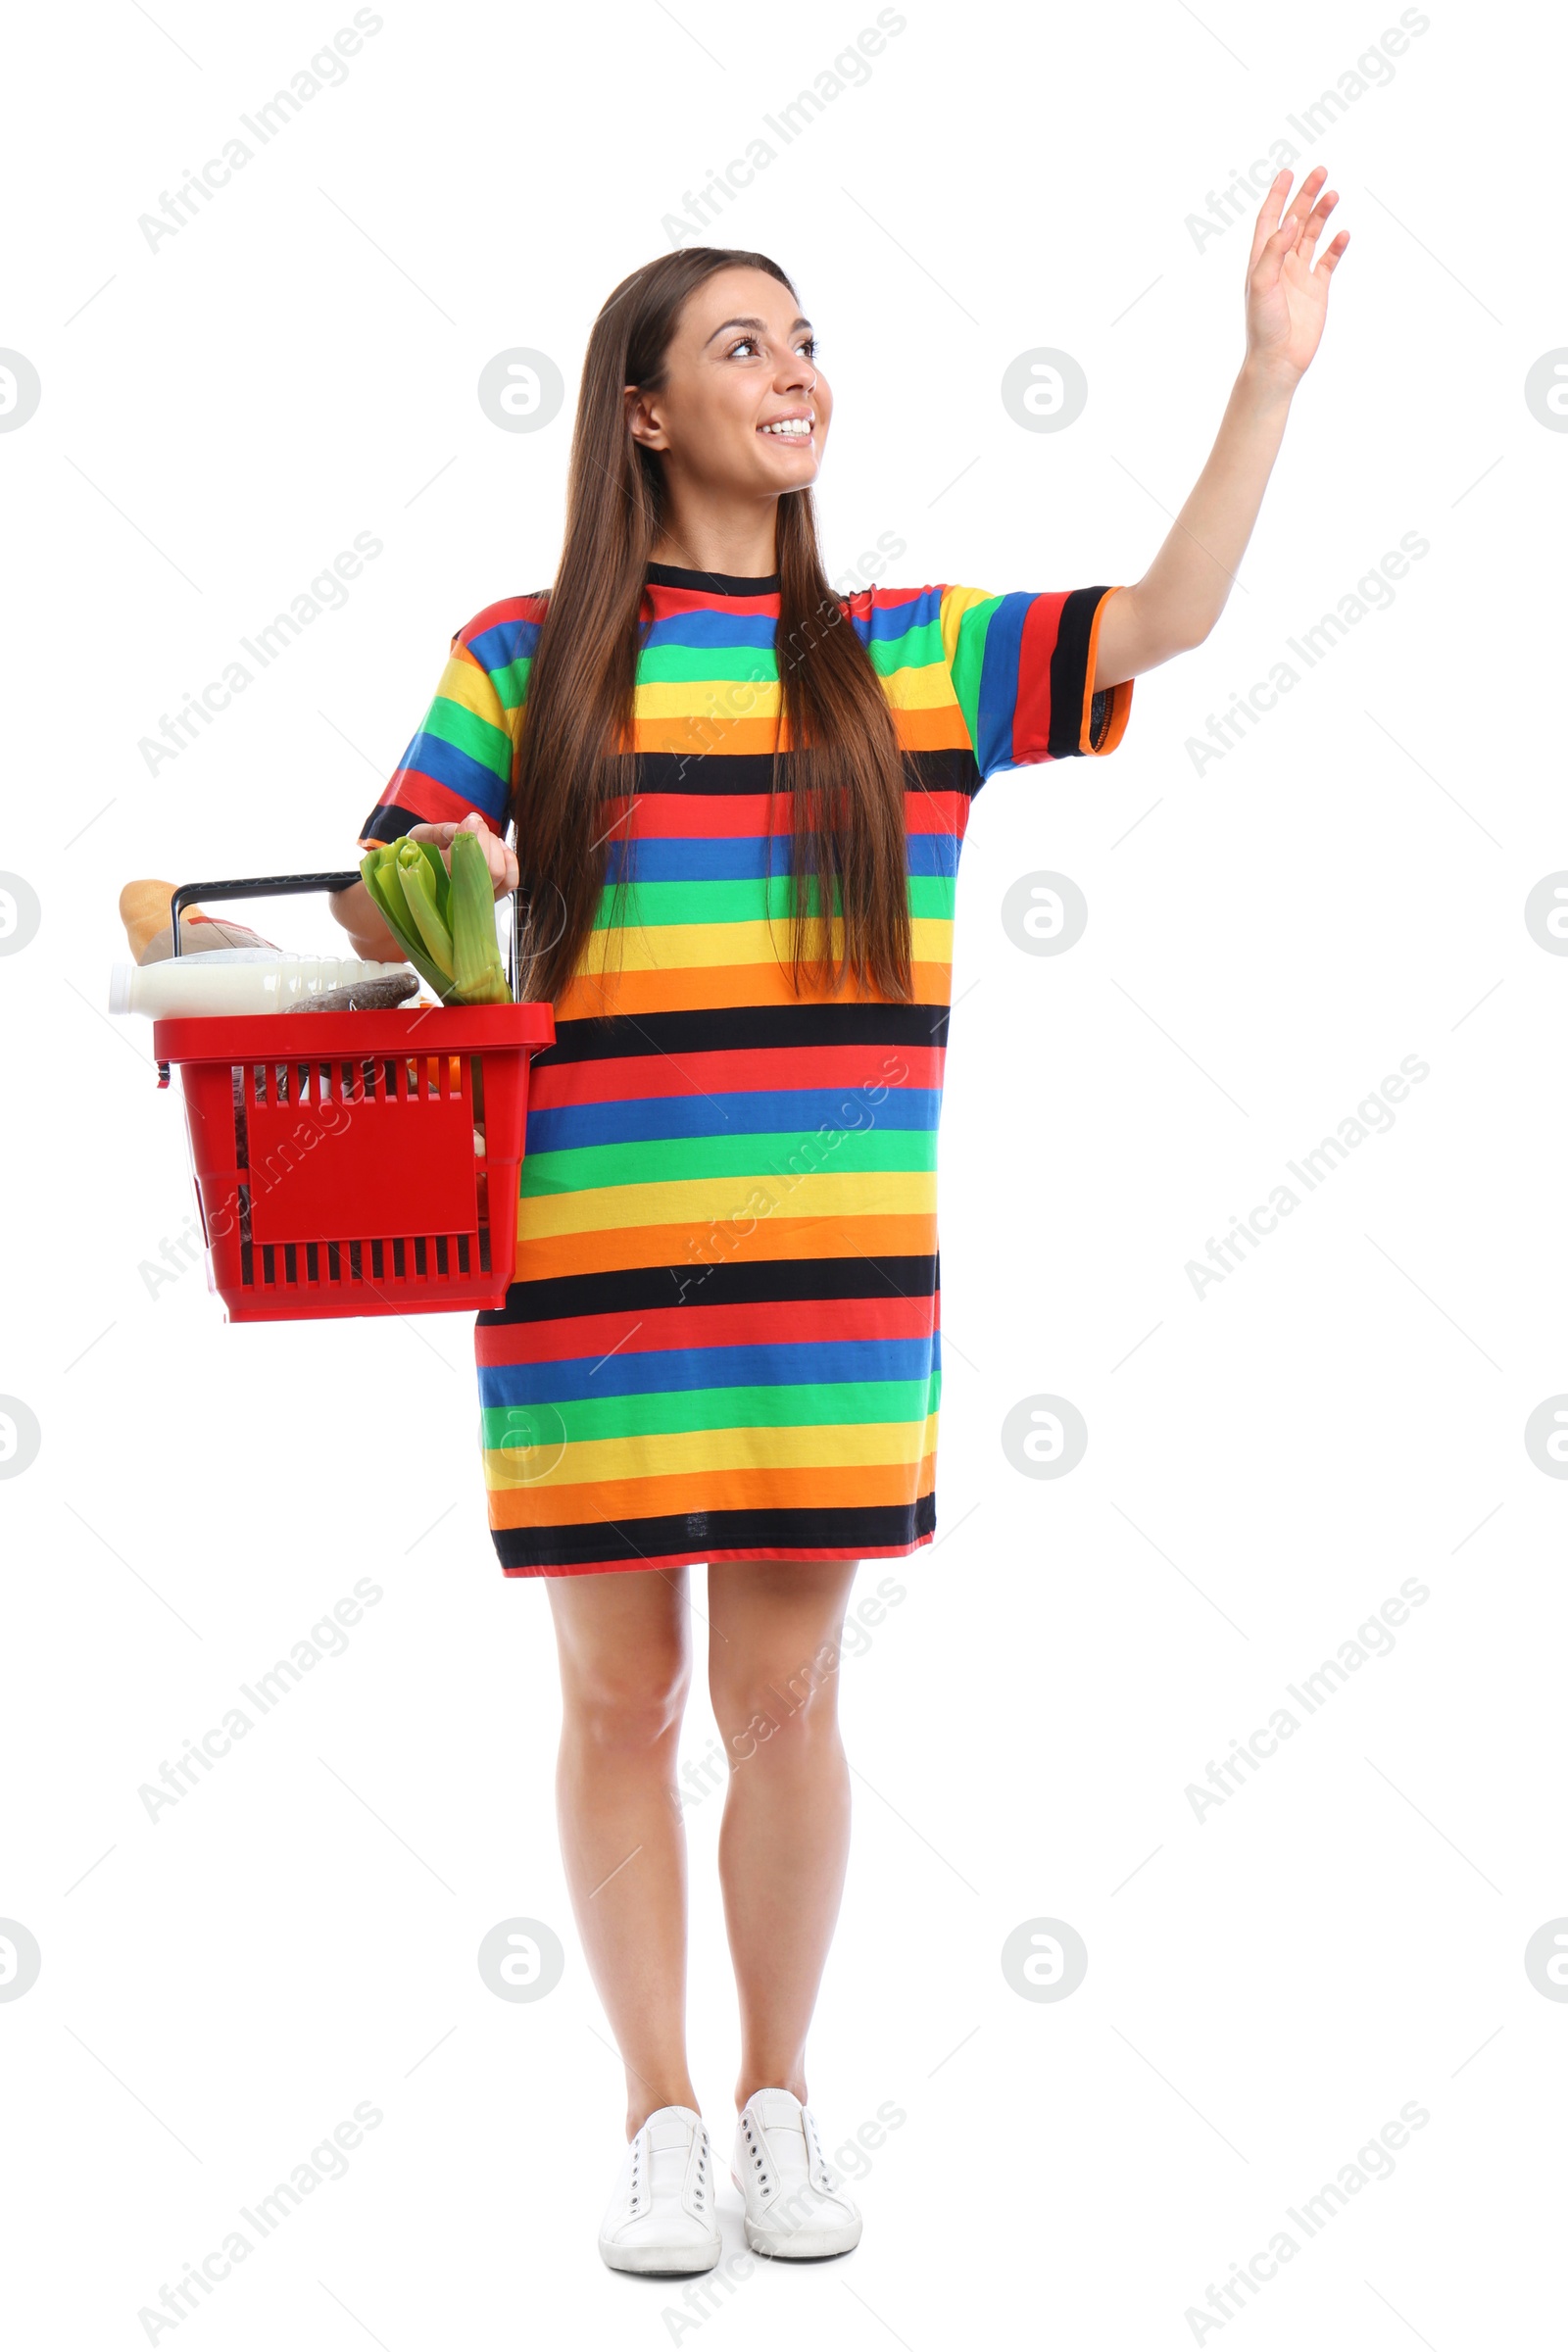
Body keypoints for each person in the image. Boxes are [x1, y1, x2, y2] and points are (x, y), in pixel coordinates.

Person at [330, 176, 1348, 2275]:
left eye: (802, 343)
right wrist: (387, 895)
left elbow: (1159, 622)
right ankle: (657, 2117)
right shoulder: (518, 662)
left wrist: (1260, 379)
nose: (792, 374)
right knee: (615, 1704)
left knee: (785, 1703)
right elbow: (387, 884)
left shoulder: (914, 658)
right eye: (738, 345)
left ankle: (781, 2096)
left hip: (828, 1276)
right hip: (582, 1279)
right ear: (636, 413)